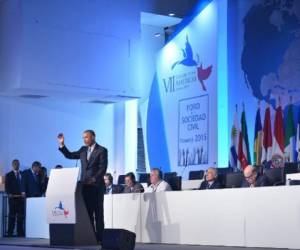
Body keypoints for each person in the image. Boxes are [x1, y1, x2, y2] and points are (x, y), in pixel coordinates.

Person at [58, 130, 107, 243]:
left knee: (98, 213)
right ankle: (91, 237)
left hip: (96, 187)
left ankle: (101, 238)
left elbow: (102, 168)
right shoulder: (83, 150)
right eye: (83, 137)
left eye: (86, 137)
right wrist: (62, 144)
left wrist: (94, 179)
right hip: (84, 186)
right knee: (88, 213)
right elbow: (70, 155)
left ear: (93, 137)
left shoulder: (102, 150)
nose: (84, 139)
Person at [5, 159, 25, 237]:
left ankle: (20, 232)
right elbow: (7, 186)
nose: (17, 165)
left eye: (18, 164)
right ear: (12, 165)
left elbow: (24, 184)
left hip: (21, 199)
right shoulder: (9, 175)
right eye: (15, 164)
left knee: (21, 217)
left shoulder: (22, 173)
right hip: (13, 199)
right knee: (12, 216)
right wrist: (9, 193)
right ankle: (10, 232)